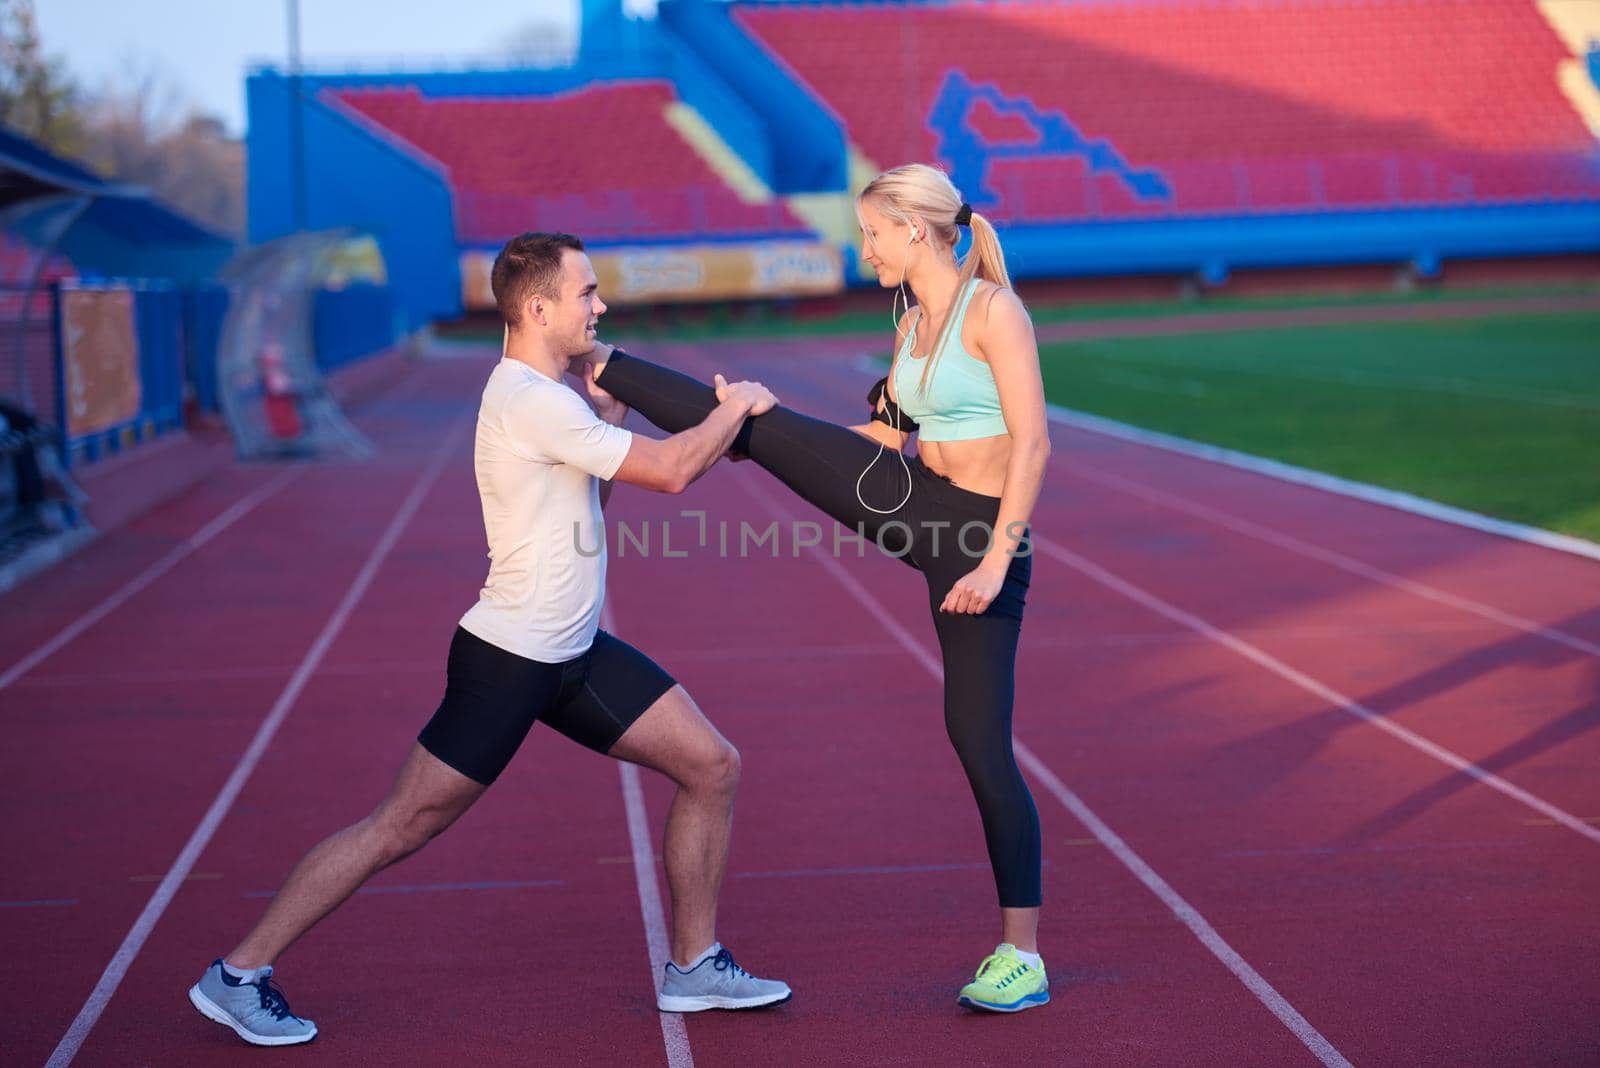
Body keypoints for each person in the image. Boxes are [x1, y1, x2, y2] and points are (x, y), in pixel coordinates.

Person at [188, 232, 791, 1047]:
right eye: (587, 294)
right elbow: (675, 471)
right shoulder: (528, 400)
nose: (600, 307)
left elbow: (584, 522)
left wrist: (607, 418)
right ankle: (238, 975)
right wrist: (735, 406)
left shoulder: (551, 400)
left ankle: (694, 965)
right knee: (398, 828)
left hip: (572, 656)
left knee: (711, 766)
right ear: (539, 309)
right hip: (509, 663)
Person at [583, 164, 1053, 1013]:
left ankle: (1022, 956)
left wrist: (992, 562)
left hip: (980, 539)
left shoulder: (993, 312)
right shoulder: (912, 319)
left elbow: (1034, 445)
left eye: (870, 232)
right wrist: (776, 432)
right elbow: (885, 432)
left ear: (914, 230)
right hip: (917, 502)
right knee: (759, 427)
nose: (860, 246)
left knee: (979, 745)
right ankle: (606, 366)